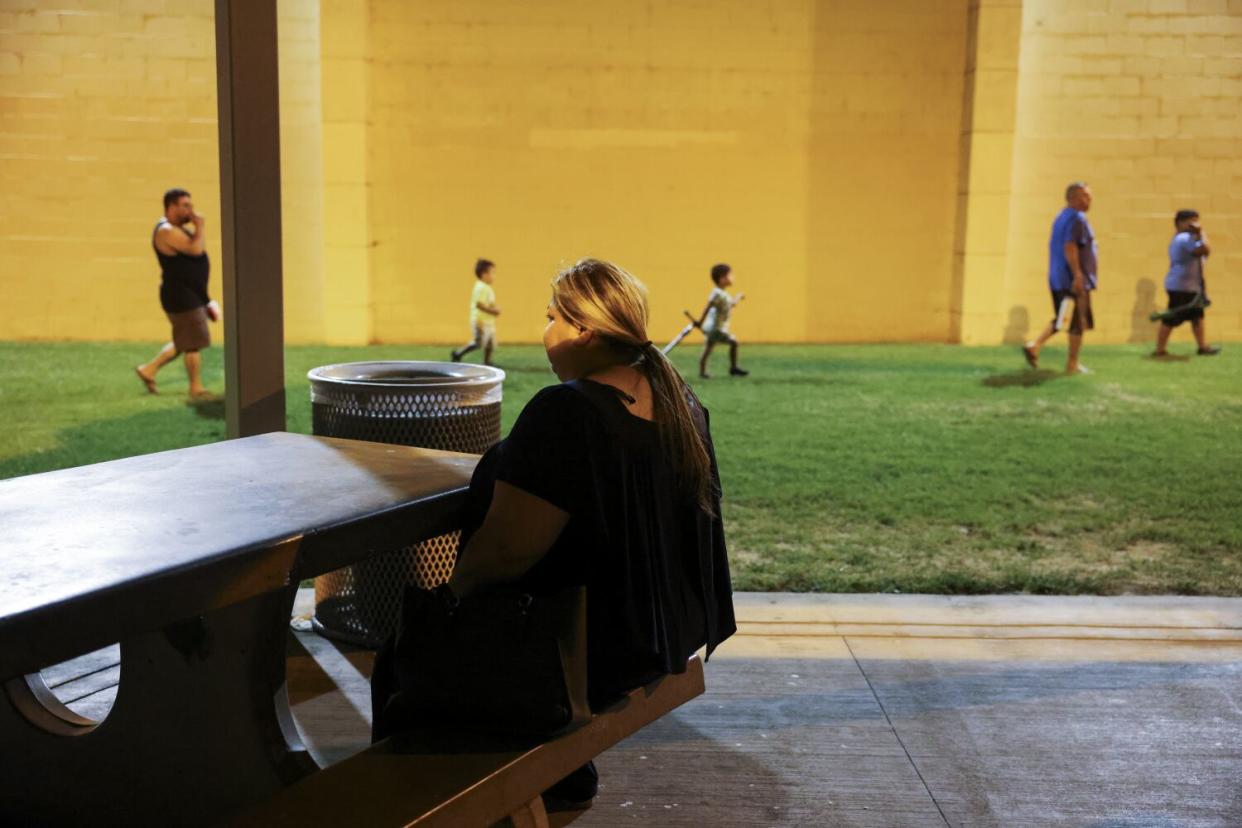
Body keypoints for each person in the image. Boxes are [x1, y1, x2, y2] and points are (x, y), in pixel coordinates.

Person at [377, 258, 736, 810]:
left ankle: (416, 804)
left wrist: (450, 599)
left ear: (584, 329)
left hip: (583, 655)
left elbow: (505, 552)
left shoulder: (566, 411)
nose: (543, 332)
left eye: (551, 317)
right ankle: (561, 774)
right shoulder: (679, 401)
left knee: (400, 654)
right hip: (653, 636)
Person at [134, 188, 217, 397]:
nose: (191, 209)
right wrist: (200, 226)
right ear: (171, 206)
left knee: (184, 340)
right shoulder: (166, 230)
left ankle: (148, 370)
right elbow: (196, 250)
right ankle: (196, 387)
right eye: (185, 205)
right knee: (192, 345)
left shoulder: (178, 229)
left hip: (189, 293)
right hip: (181, 295)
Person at [1022, 182, 1098, 375]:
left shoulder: (1061, 216)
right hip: (1072, 279)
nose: (1089, 200)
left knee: (1062, 317)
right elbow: (1070, 247)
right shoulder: (1077, 219)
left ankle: (1035, 346)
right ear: (1072, 197)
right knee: (1077, 322)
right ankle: (1072, 364)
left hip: (1058, 277)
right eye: (1084, 196)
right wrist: (1078, 275)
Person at [1153, 209, 1220, 357]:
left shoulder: (1189, 238)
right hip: (1181, 287)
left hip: (1189, 286)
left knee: (1197, 315)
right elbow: (1205, 249)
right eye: (1191, 221)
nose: (1194, 225)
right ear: (1179, 223)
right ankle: (1159, 349)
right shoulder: (1184, 238)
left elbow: (1205, 251)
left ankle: (1202, 347)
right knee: (1172, 317)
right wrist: (1201, 233)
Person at [694, 263, 748, 379]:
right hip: (716, 328)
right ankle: (733, 368)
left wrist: (738, 297)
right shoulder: (717, 294)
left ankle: (703, 371)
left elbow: (731, 304)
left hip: (714, 327)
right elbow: (708, 307)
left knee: (709, 348)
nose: (732, 278)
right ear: (722, 278)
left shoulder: (723, 294)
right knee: (734, 342)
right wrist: (700, 321)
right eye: (730, 275)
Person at [450, 258, 501, 365]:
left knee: (490, 344)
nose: (494, 276)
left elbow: (488, 302)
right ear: (484, 274)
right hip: (480, 322)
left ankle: (488, 362)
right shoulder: (481, 287)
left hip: (488, 322)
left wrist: (494, 307)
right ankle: (458, 353)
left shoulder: (487, 287)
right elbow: (479, 304)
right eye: (492, 273)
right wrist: (493, 311)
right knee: (479, 343)